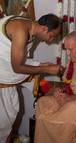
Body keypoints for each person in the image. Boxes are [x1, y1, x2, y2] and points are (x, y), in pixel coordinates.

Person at [0, 13, 62, 143]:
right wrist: (46, 69)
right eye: (51, 37)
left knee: (8, 123)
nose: (50, 41)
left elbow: (19, 57)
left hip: (5, 83)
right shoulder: (21, 30)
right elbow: (17, 67)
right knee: (2, 124)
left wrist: (41, 65)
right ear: (44, 29)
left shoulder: (31, 28)